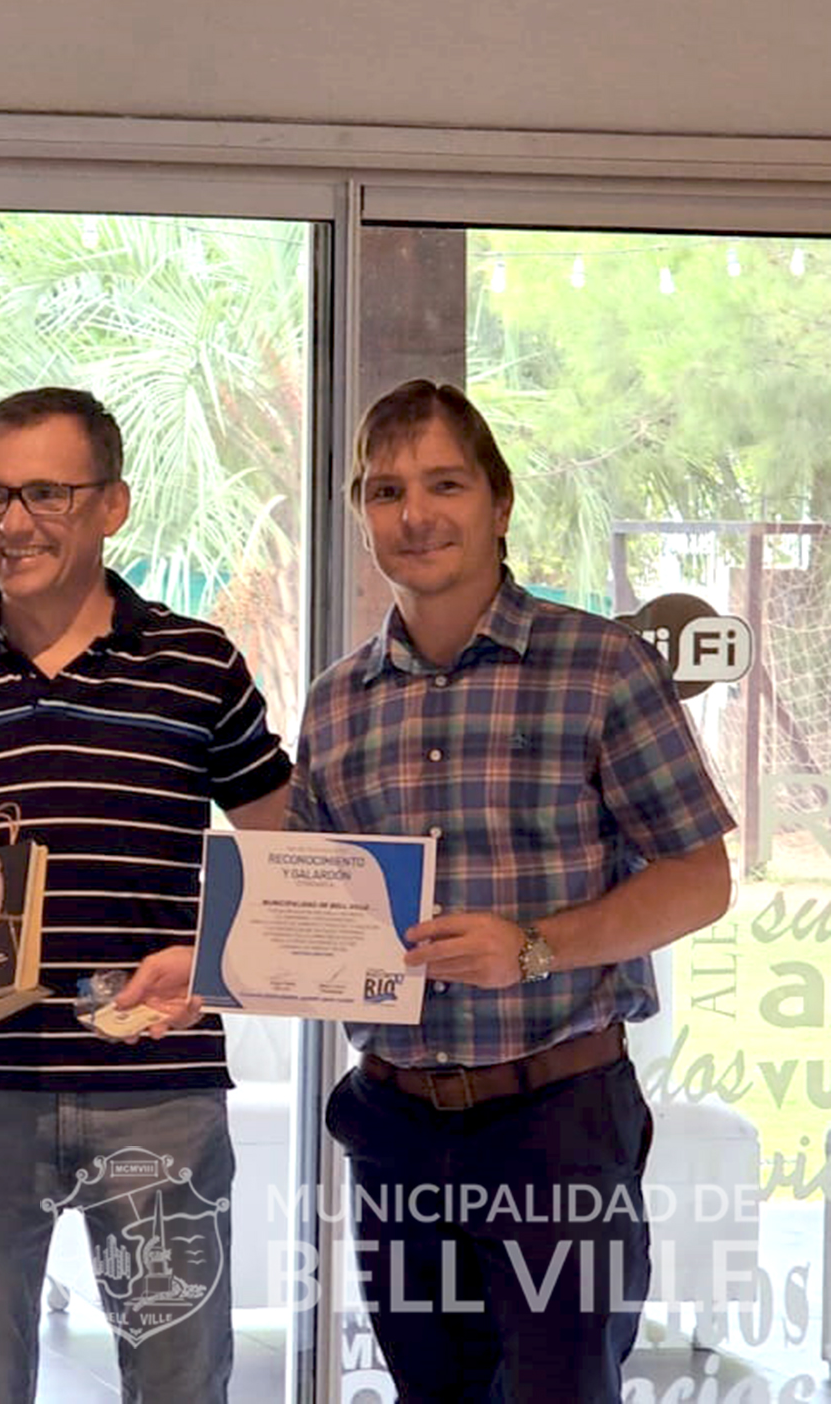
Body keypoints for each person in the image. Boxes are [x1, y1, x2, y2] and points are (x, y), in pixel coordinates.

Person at [0, 387, 292, 1404]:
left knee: (179, 1387)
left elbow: (292, 857)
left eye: (46, 493)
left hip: (158, 1088)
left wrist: (214, 961)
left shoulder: (198, 666)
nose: (13, 521)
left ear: (112, 505)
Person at [292, 379, 734, 1403]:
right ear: (362, 515)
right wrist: (215, 962)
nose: (415, 513)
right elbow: (313, 906)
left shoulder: (601, 667)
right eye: (386, 490)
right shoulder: (336, 703)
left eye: (444, 484)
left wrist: (532, 946)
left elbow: (699, 878)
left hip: (556, 1123)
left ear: (499, 502)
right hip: (394, 1128)